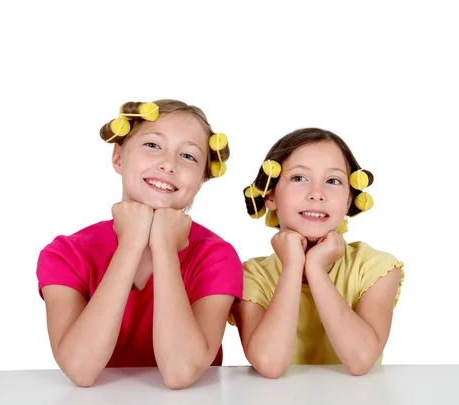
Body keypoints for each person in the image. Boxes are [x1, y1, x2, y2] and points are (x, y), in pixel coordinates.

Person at [36, 99, 243, 389]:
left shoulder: (217, 256)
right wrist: (131, 244)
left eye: (188, 156)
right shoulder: (66, 254)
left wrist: (165, 249)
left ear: (201, 180)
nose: (168, 164)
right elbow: (80, 369)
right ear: (118, 157)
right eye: (153, 146)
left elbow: (180, 372)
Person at [230, 127, 404, 378]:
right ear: (270, 195)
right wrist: (292, 267)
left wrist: (315, 270)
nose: (317, 194)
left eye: (333, 181)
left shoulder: (376, 268)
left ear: (348, 200)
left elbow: (361, 359)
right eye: (299, 178)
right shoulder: (250, 276)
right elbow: (269, 363)